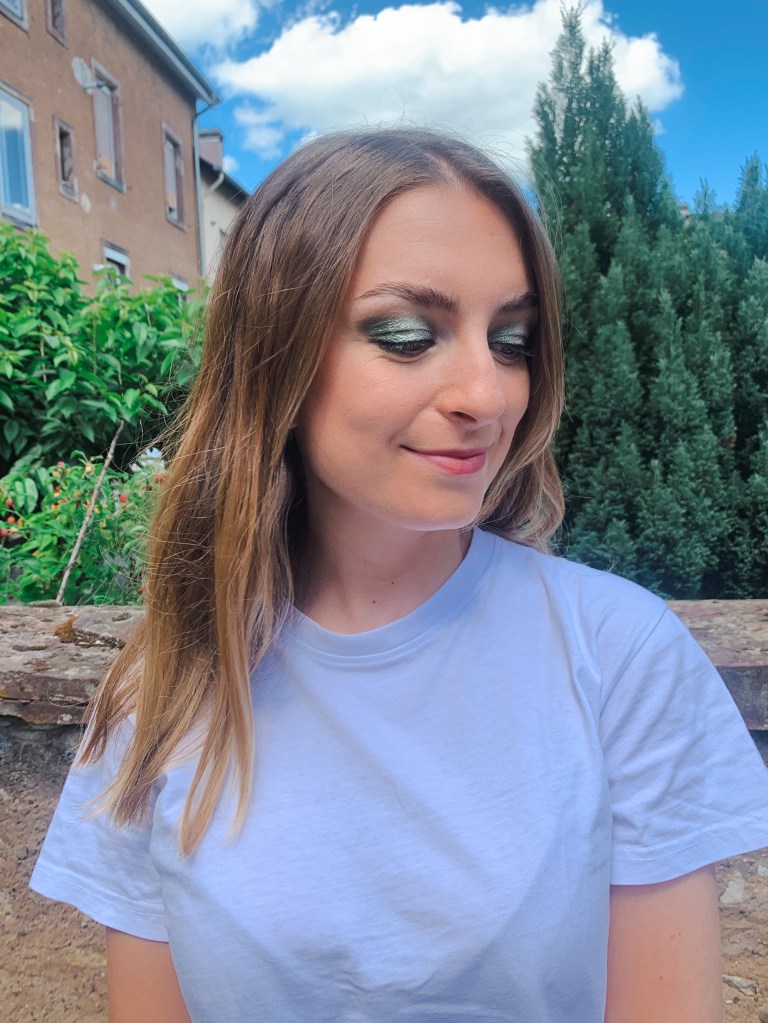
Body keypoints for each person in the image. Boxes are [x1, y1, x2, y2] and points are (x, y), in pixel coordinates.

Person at [31, 128, 768, 1023]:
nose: (486, 395)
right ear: (277, 355)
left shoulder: (619, 656)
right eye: (408, 336)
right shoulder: (168, 685)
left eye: (512, 340)